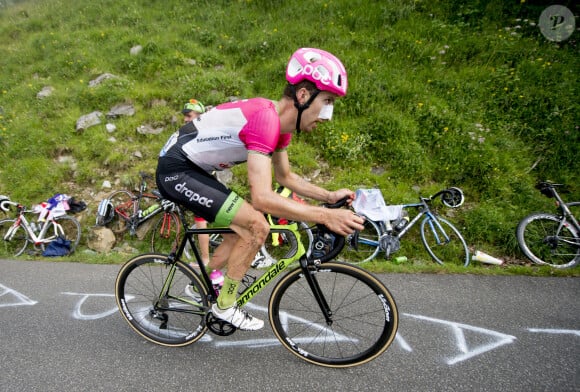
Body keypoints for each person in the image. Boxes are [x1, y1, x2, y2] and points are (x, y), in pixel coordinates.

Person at [156, 48, 364, 330]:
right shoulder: (266, 120)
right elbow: (263, 198)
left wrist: (328, 197)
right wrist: (325, 216)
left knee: (240, 227)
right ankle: (226, 305)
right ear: (303, 96)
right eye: (327, 101)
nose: (328, 116)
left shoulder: (280, 126)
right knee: (257, 224)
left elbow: (285, 176)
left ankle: (201, 283)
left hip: (196, 169)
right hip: (176, 170)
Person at [180, 99, 211, 265]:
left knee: (201, 222)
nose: (185, 119)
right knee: (201, 221)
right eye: (184, 116)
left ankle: (205, 259)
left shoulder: (200, 132)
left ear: (199, 116)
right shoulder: (193, 131)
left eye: (188, 115)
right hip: (198, 180)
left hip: (201, 181)